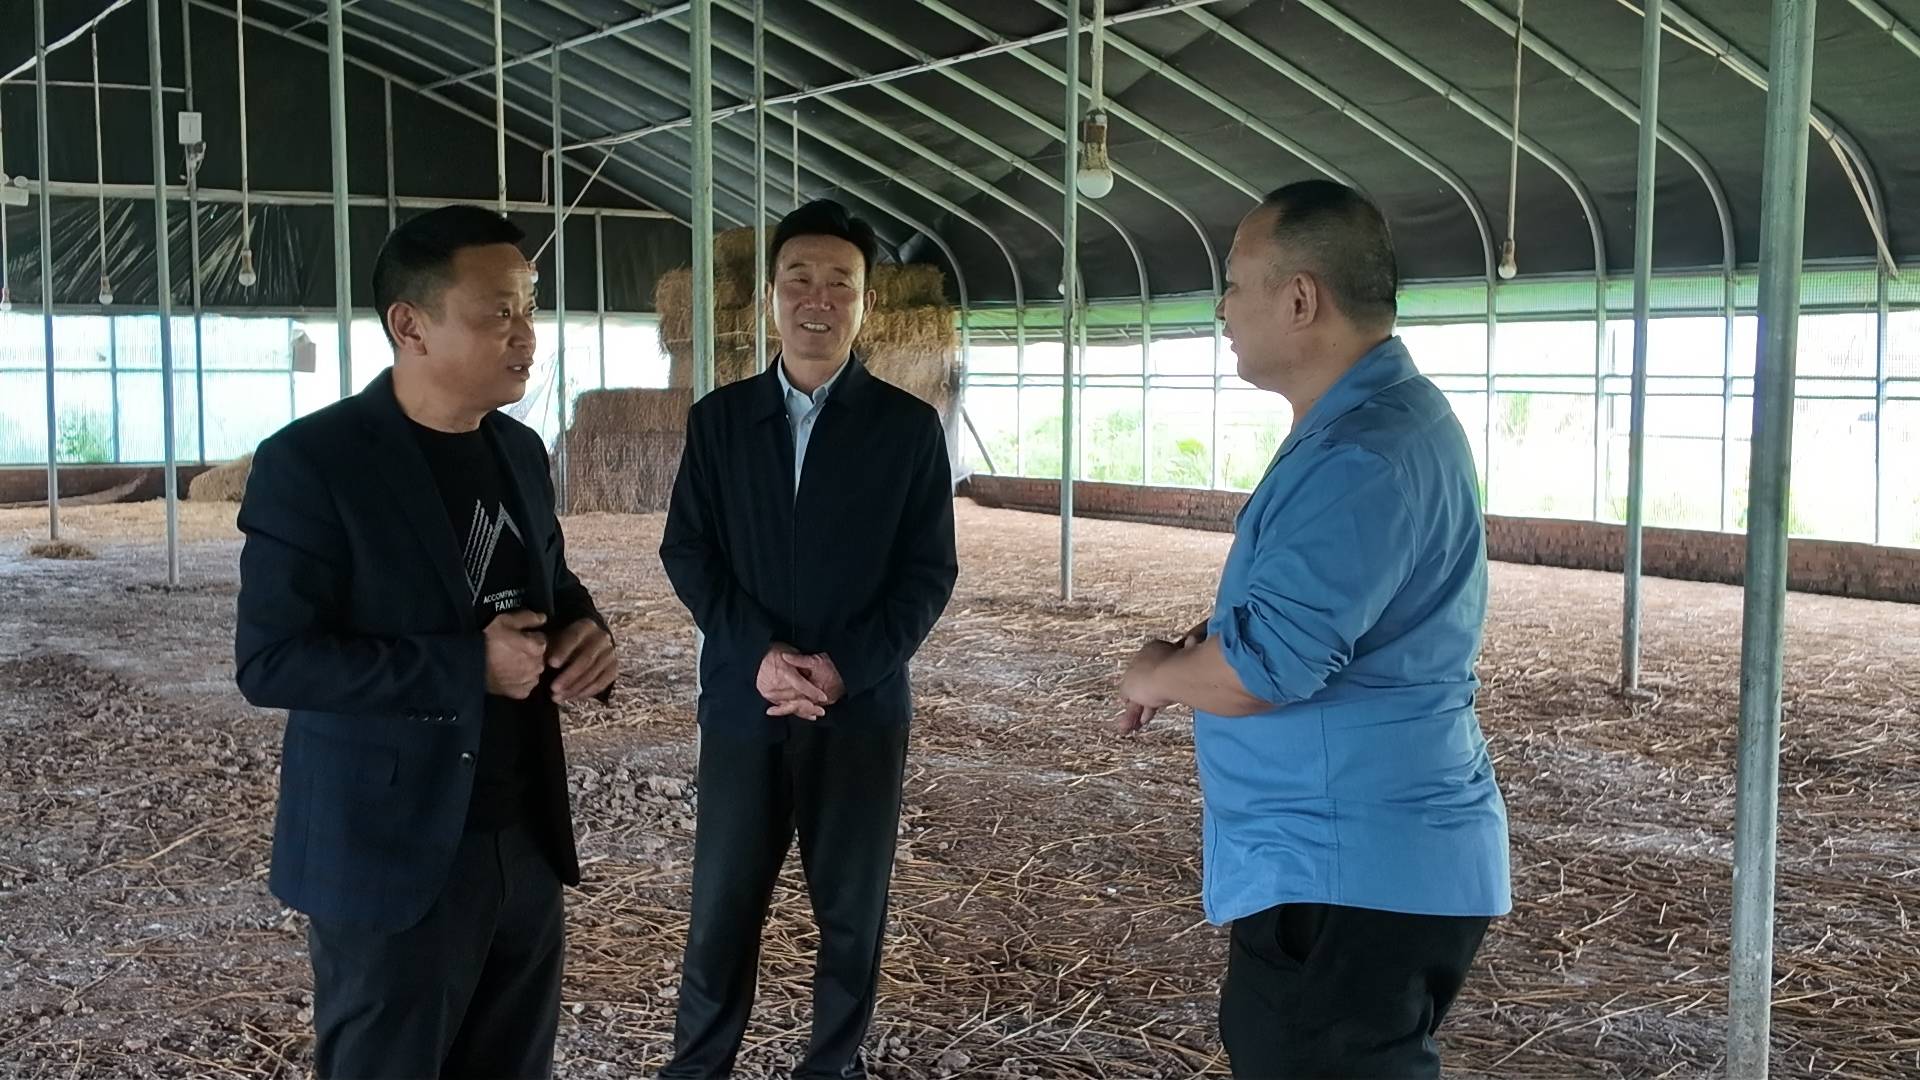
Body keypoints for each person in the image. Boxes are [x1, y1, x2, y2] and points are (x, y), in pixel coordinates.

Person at [1115, 180, 1510, 1079]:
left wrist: (1155, 674)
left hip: (1347, 866)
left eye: (1233, 283)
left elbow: (1266, 669)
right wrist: (1211, 641)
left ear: (1300, 298)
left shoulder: (1360, 454)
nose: (1221, 307)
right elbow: (1315, 616)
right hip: (1363, 859)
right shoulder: (1376, 423)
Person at [234, 205, 617, 1079]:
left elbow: (551, 584)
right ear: (410, 325)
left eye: (529, 308)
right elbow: (272, 661)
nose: (526, 334)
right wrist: (466, 666)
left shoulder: (519, 451)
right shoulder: (315, 463)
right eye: (498, 312)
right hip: (389, 853)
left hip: (522, 837)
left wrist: (587, 634)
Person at [658, 198, 958, 1079]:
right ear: (770, 296)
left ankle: (833, 1066)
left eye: (840, 283)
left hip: (857, 711)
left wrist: (844, 667)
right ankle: (698, 1067)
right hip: (743, 706)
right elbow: (688, 551)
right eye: (799, 279)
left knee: (852, 911)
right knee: (722, 906)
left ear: (867, 303)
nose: (817, 299)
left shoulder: (905, 428)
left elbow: (927, 573)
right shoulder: (720, 421)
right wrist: (757, 654)